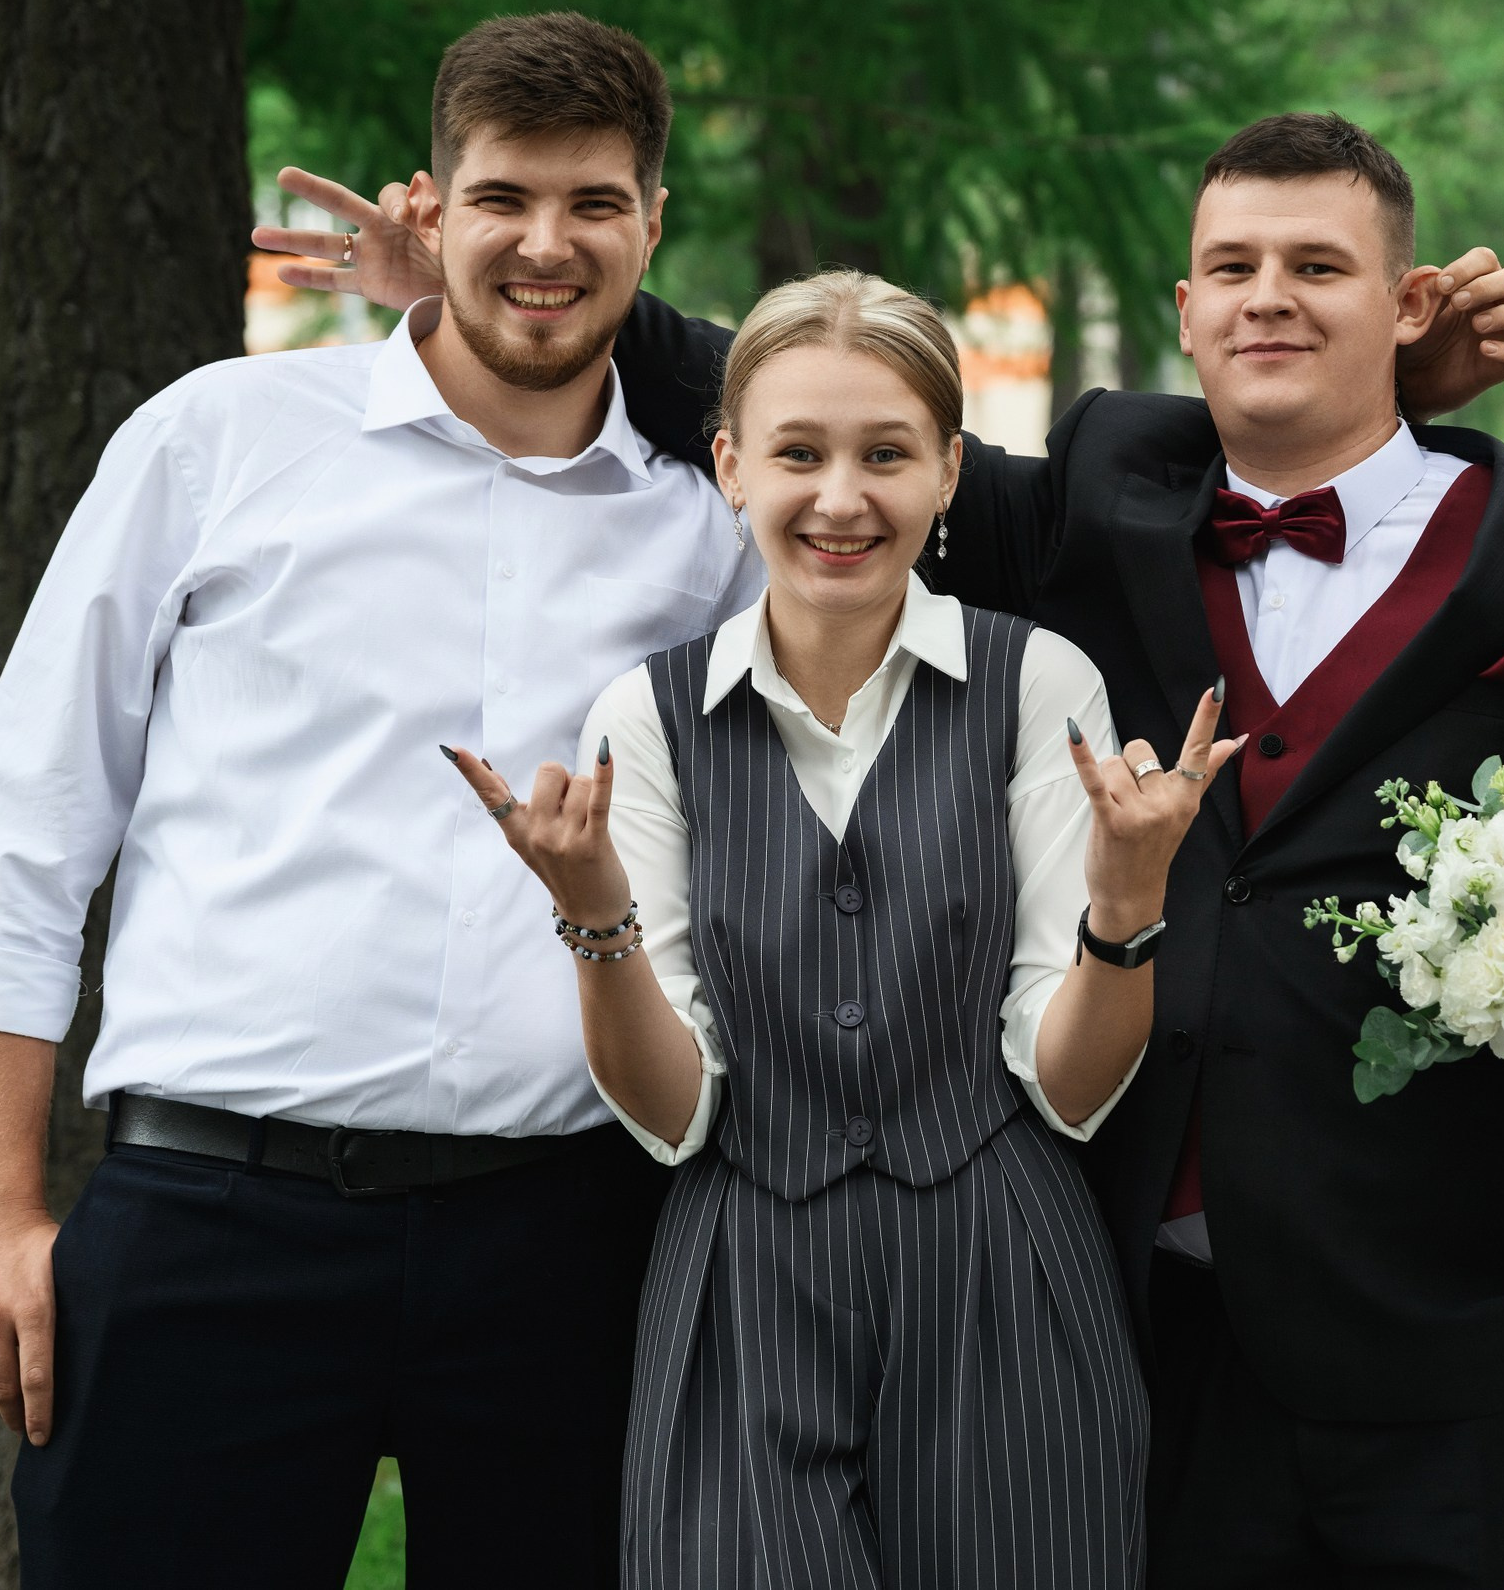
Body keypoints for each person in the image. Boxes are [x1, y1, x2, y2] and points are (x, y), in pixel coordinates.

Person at [268, 111, 1504, 1587]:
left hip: (1479, 1345)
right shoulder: (1106, 492)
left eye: (1318, 267)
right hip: (1150, 1323)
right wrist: (505, 288)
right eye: (1233, 268)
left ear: (1410, 301)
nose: (1268, 299)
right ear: (1185, 306)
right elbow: (824, 394)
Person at [0, 13, 768, 1587]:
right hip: (209, 1216)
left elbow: (901, 450)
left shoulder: (717, 524)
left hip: (570, 1241)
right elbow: (31, 826)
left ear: (654, 227)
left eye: (595, 204)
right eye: (503, 197)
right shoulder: (217, 438)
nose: (547, 244)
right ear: (428, 208)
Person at [445, 267, 1236, 1586]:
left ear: (948, 471)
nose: (840, 497)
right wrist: (595, 919)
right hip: (743, 1286)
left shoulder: (1039, 683)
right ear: (731, 466)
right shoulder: (646, 718)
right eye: (798, 452)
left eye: (886, 454)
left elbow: (1068, 1084)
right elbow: (673, 1111)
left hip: (1003, 1283)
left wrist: (1128, 903)